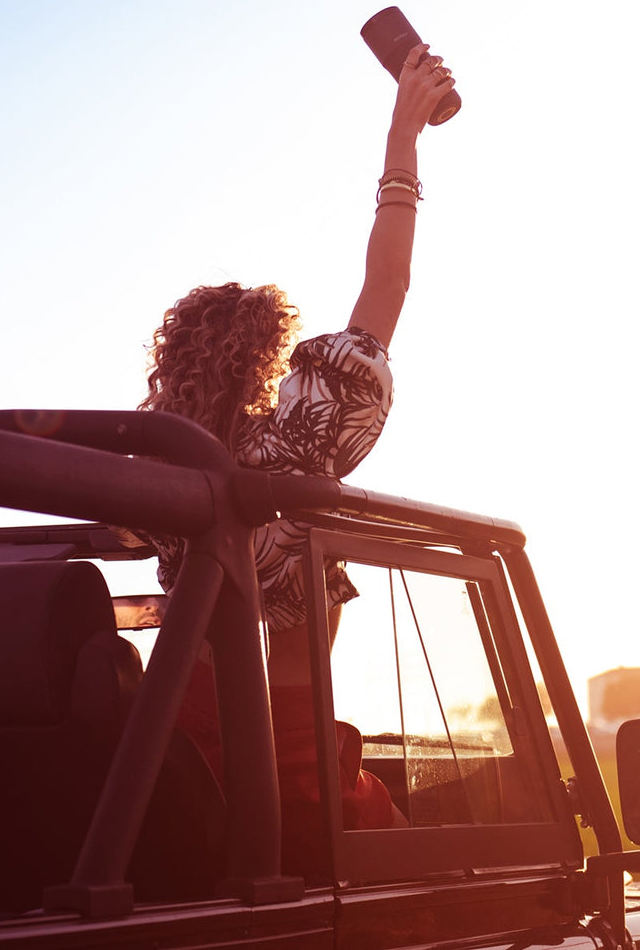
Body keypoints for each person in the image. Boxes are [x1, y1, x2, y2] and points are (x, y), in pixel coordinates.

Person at [136, 43, 457, 870]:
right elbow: (387, 290)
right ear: (268, 360)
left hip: (175, 763)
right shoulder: (285, 453)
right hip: (286, 765)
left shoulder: (158, 479)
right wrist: (403, 141)